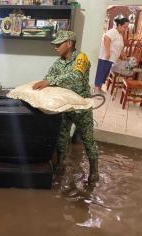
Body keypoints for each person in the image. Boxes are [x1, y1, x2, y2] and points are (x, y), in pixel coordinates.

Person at [32, 30, 99, 185]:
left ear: (69, 44)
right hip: (64, 107)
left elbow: (75, 78)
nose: (55, 46)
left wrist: (50, 82)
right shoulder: (58, 63)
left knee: (88, 139)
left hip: (81, 107)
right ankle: (60, 165)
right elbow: (47, 78)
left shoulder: (81, 58)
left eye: (59, 43)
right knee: (62, 137)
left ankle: (94, 172)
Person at [94, 18, 129, 93]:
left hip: (111, 59)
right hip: (106, 57)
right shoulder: (113, 31)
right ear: (119, 25)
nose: (125, 29)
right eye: (124, 27)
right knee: (101, 73)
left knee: (105, 74)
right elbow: (106, 39)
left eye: (127, 27)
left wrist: (124, 56)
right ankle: (96, 90)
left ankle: (99, 88)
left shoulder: (119, 34)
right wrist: (107, 52)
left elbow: (120, 46)